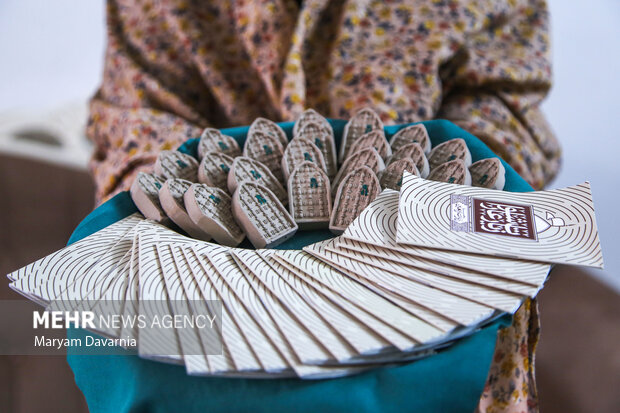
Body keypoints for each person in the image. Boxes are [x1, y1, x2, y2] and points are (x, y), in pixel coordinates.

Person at [87, 1, 560, 411]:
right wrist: (190, 215)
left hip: (429, 303)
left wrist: (434, 208)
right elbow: (138, 120)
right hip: (216, 308)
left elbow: (501, 108)